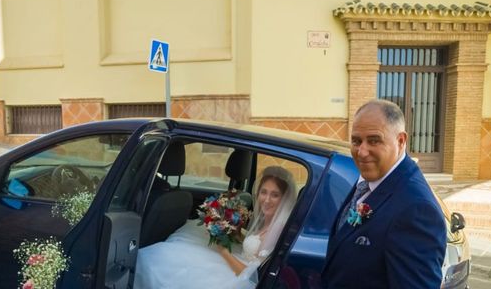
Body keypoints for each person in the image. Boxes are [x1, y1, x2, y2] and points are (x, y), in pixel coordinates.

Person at [322, 99, 446, 289]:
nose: (362, 152)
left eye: (374, 140)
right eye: (356, 141)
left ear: (401, 140)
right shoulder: (369, 179)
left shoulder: (416, 210)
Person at [134, 165, 297, 289]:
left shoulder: (278, 228)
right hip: (238, 263)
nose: (267, 200)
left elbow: (253, 275)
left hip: (238, 276)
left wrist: (223, 252)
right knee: (176, 252)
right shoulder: (267, 220)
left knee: (162, 262)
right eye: (264, 192)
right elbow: (257, 243)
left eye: (274, 195)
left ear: (284, 199)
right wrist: (236, 232)